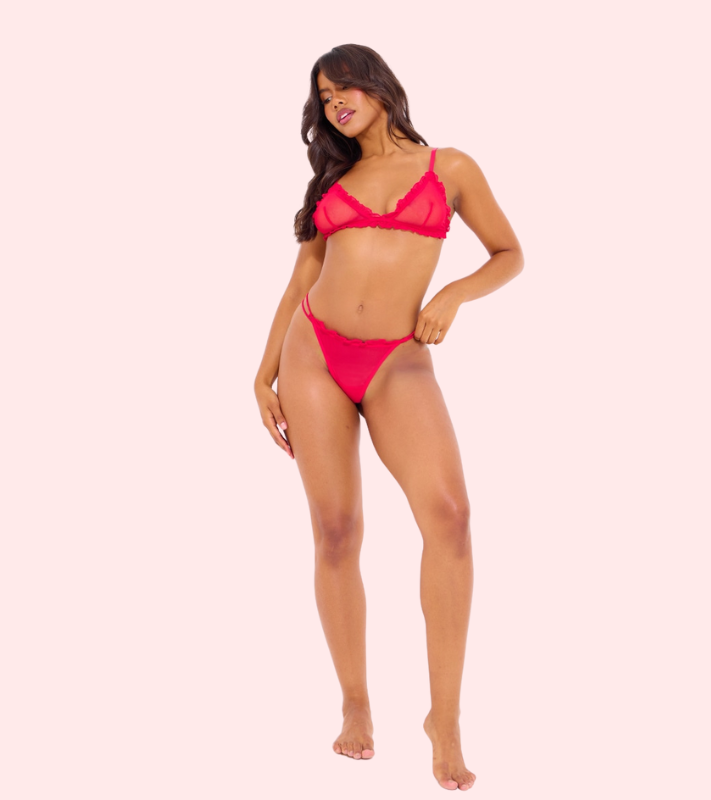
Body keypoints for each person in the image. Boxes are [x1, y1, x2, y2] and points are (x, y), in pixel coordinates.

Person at [254, 44, 524, 792]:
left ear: (378, 85)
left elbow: (509, 253)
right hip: (314, 353)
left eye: (343, 87)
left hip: (398, 358)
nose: (335, 102)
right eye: (323, 96)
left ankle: (446, 718)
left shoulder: (449, 168)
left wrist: (452, 296)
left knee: (450, 516)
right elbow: (303, 277)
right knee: (337, 530)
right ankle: (355, 700)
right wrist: (263, 372)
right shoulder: (334, 181)